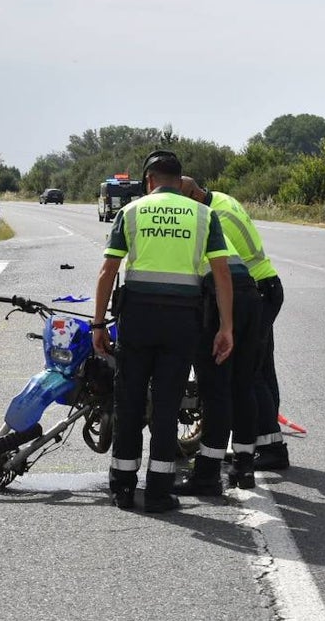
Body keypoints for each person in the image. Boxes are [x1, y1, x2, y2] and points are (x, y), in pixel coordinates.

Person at [91, 150, 234, 513]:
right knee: (167, 407)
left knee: (130, 402)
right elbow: (221, 275)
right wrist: (226, 327)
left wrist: (97, 323)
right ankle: (157, 492)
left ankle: (123, 487)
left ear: (148, 181)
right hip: (182, 321)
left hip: (137, 319)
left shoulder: (131, 211)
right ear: (179, 179)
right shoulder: (204, 215)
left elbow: (108, 271)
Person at [174, 176, 263, 495]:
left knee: (215, 390)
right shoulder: (207, 219)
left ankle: (208, 473)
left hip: (220, 297)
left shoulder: (181, 225)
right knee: (242, 385)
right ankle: (244, 465)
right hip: (251, 297)